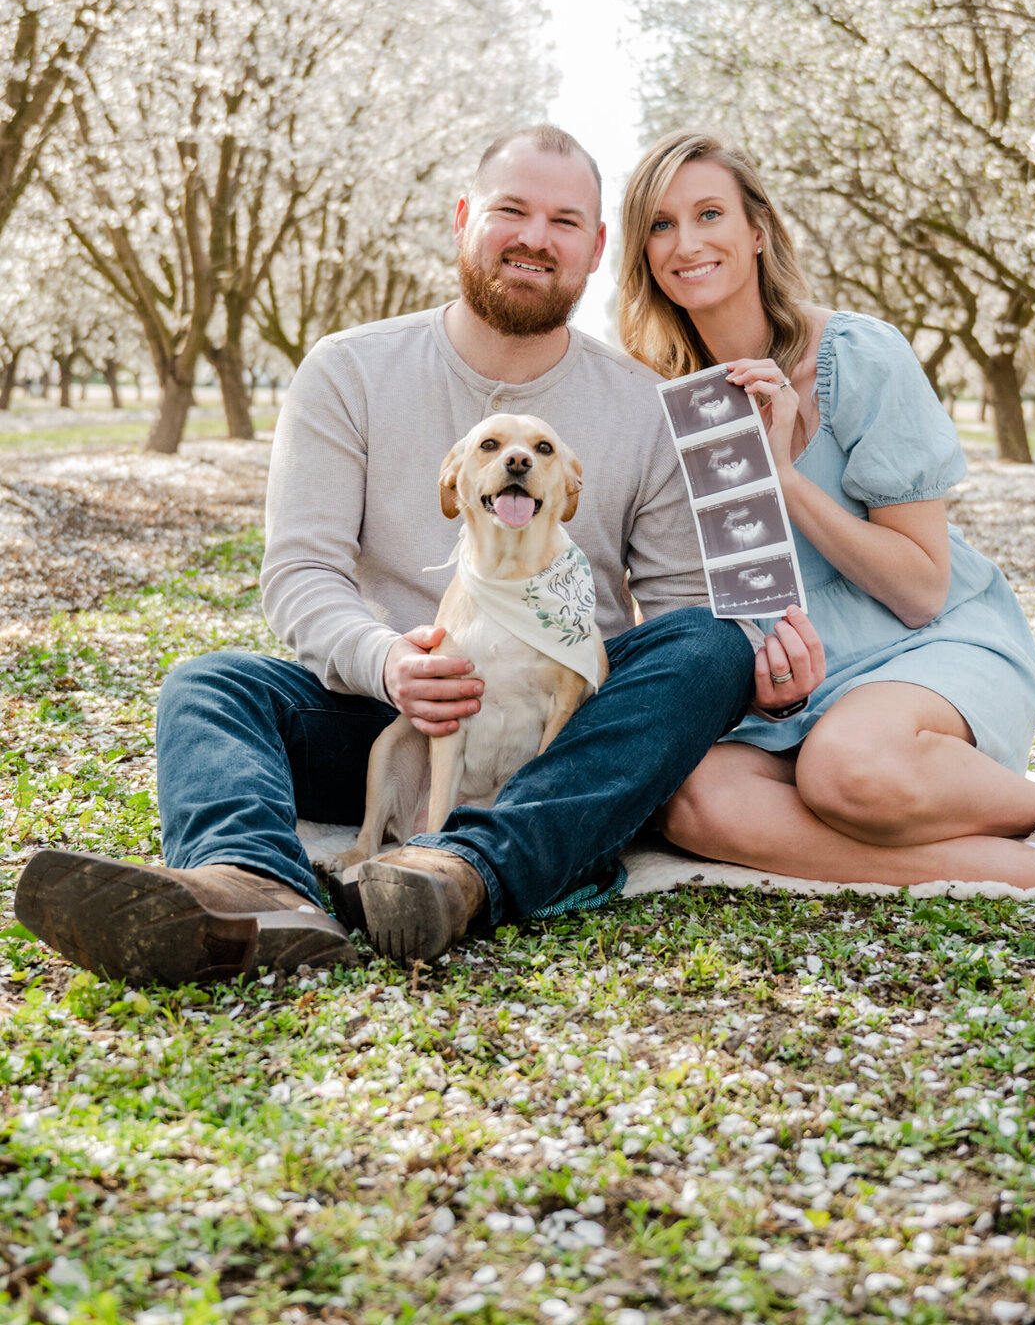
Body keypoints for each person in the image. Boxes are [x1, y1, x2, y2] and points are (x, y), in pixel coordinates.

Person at [15, 127, 824, 985]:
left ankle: (461, 870)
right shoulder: (348, 371)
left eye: (564, 221)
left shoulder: (640, 404)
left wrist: (739, 683)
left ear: (594, 251)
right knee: (209, 685)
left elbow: (671, 609)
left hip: (566, 728)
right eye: (511, 210)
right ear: (465, 219)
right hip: (395, 711)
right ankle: (249, 886)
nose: (534, 238)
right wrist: (391, 661)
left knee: (712, 641)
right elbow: (301, 572)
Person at [616, 130, 1035, 915]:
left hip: (925, 646)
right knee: (695, 806)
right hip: (787, 678)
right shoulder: (651, 398)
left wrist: (783, 478)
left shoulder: (857, 356)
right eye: (659, 224)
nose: (686, 243)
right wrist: (756, 684)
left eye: (709, 213)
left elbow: (922, 587)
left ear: (757, 230)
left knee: (847, 770)